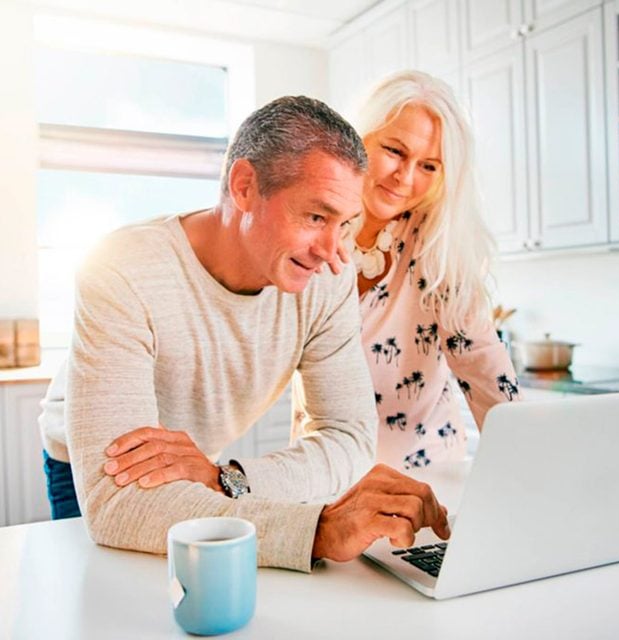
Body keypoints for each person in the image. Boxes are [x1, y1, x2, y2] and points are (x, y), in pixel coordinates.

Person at [38, 95, 450, 572]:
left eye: (345, 223)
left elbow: (350, 441)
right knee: (117, 601)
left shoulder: (328, 278)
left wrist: (224, 478)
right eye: (316, 217)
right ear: (245, 186)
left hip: (203, 463)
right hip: (90, 467)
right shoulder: (124, 267)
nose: (332, 251)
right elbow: (119, 508)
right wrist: (318, 531)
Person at [346, 70, 520, 470]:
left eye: (429, 166)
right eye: (394, 151)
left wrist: (529, 461)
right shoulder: (317, 232)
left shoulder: (434, 241)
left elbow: (480, 359)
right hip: (329, 476)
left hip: (427, 476)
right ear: (359, 139)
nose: (405, 178)